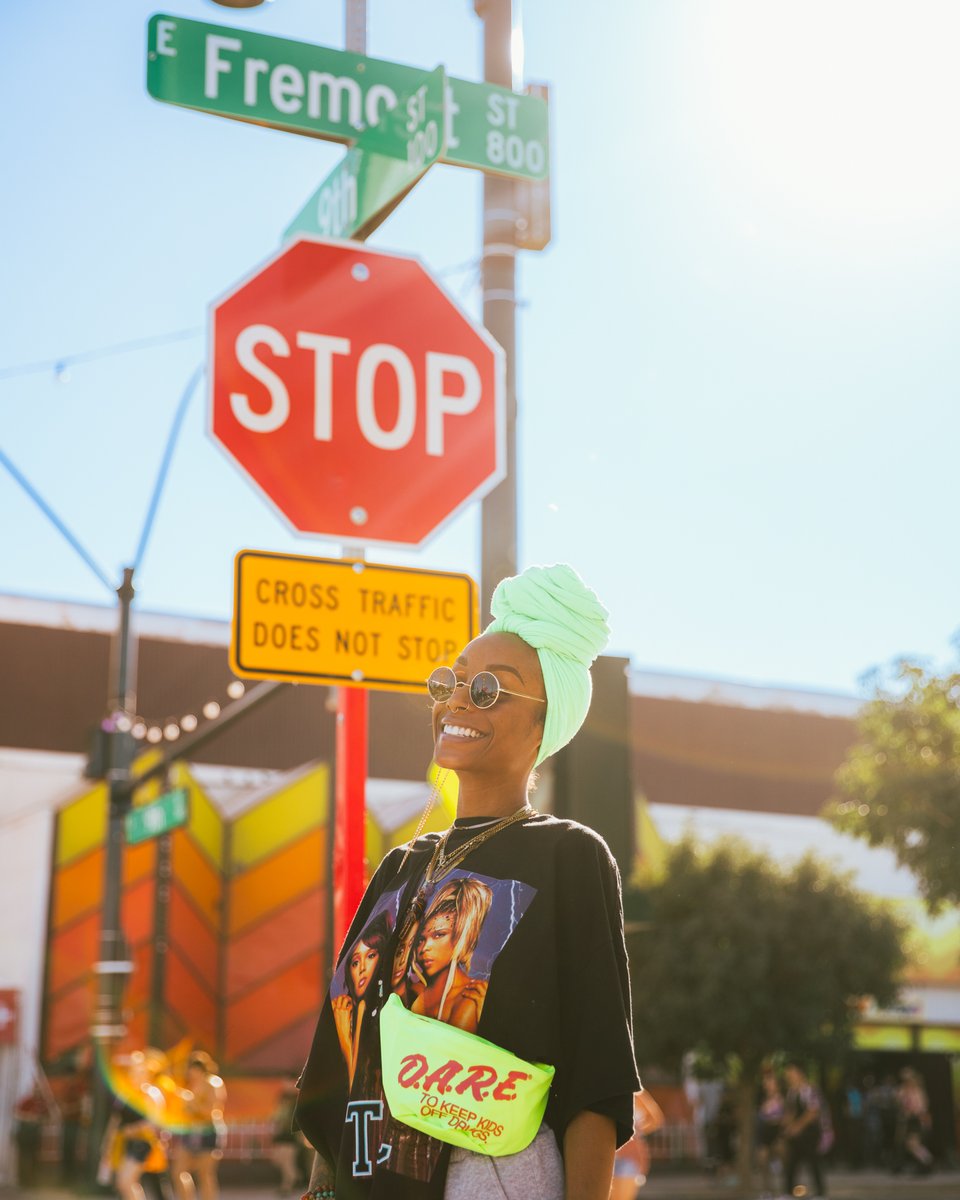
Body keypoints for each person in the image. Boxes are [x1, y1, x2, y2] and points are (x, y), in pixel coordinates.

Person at [295, 563, 640, 1199]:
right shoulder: (401, 865)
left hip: (488, 1179)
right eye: (450, 683)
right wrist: (320, 1187)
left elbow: (597, 1077)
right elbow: (345, 1055)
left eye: (488, 689)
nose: (456, 700)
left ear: (543, 725)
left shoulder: (567, 855)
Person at [170, 1052, 226, 1200]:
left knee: (205, 1174)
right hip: (191, 1131)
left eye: (193, 1070)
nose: (191, 1073)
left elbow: (212, 1111)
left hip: (208, 1131)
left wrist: (191, 1103)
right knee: (178, 1171)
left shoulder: (212, 1083)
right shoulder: (191, 1085)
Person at [782, 1061, 827, 1200]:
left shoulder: (810, 1089)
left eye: (791, 1073)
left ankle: (820, 1194)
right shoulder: (791, 1092)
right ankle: (788, 1193)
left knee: (813, 1162)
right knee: (791, 1163)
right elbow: (790, 1111)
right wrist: (787, 1126)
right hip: (796, 1134)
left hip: (810, 1133)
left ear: (799, 1073)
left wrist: (797, 1127)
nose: (789, 1076)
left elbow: (812, 1112)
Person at [611, 1089, 665, 1199]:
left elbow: (656, 1120)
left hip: (629, 1157)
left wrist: (636, 1132)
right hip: (609, 1155)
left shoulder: (636, 1093)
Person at [893, 1067, 933, 1174]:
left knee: (913, 1144)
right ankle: (925, 1162)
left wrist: (911, 1111)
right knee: (909, 1144)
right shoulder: (905, 1090)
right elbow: (898, 1099)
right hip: (909, 1120)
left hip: (916, 1120)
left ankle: (927, 1161)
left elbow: (921, 1107)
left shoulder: (917, 1092)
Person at [755, 1069, 784, 1199]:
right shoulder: (761, 1099)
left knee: (779, 1160)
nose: (768, 1085)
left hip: (777, 1133)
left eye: (771, 1082)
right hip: (764, 1133)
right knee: (763, 1161)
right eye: (766, 1082)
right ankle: (767, 1191)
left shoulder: (783, 1098)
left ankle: (782, 1191)